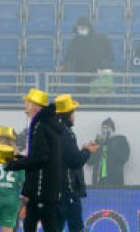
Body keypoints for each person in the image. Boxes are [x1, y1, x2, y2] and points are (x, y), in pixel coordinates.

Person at [5, 90, 63, 232]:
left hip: (39, 190)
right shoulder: (48, 124)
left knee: (32, 225)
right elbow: (39, 156)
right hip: (48, 189)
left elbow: (40, 158)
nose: (25, 105)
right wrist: (19, 159)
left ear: (36, 107)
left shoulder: (39, 126)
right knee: (49, 226)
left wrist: (16, 164)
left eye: (28, 102)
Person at [53, 97, 89, 232]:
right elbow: (75, 161)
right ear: (68, 114)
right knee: (77, 228)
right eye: (73, 112)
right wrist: (87, 151)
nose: (74, 115)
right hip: (68, 192)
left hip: (54, 192)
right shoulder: (66, 133)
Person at [87, 119, 128, 188]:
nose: (105, 130)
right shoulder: (98, 142)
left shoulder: (121, 141)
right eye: (103, 128)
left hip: (114, 181)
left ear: (113, 130)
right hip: (99, 181)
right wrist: (89, 150)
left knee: (115, 198)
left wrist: (109, 142)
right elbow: (90, 162)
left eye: (107, 128)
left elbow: (124, 158)